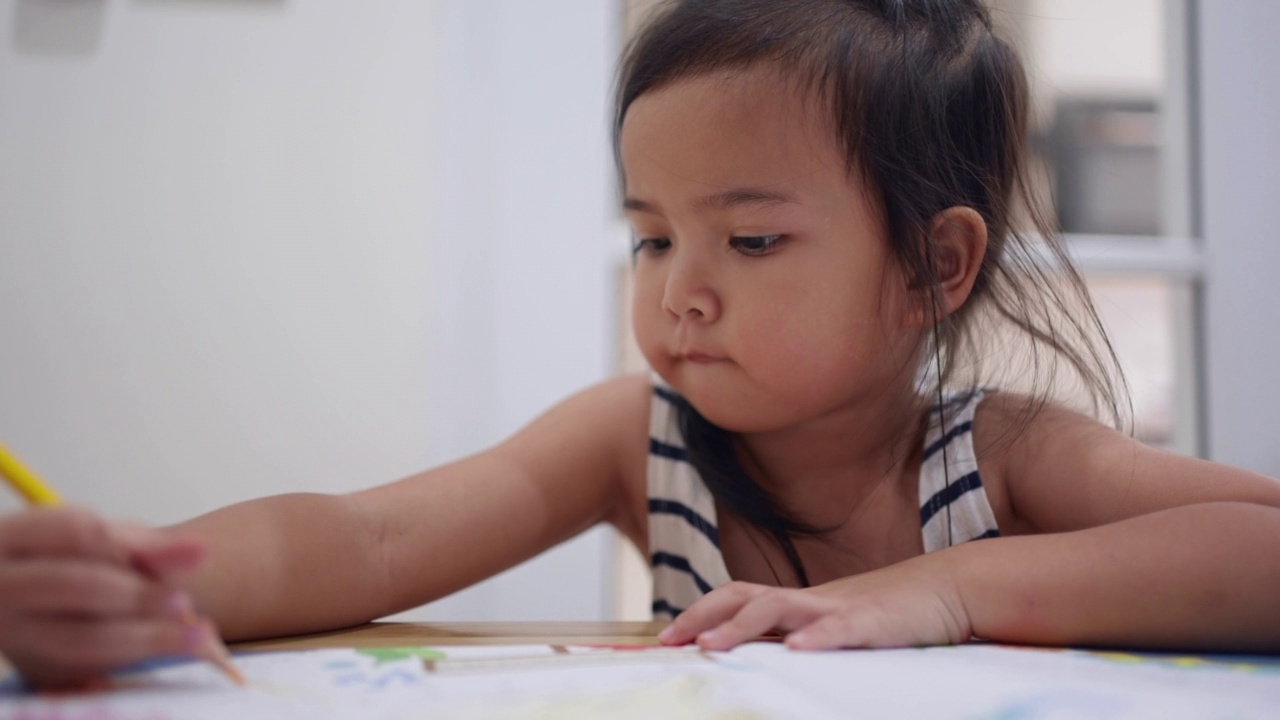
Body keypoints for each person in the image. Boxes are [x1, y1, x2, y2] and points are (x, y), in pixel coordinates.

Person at [2, 0, 1279, 688]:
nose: (680, 293)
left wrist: (936, 590)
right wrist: (154, 580)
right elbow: (365, 538)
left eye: (752, 242)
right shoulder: (637, 438)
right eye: (652, 238)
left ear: (932, 267)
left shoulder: (995, 453)